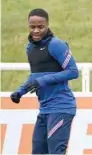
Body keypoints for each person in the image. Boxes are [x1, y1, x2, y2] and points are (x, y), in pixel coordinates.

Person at [10, 8, 79, 154]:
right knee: (38, 151)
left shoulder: (56, 44)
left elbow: (73, 72)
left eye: (40, 27)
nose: (36, 31)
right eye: (32, 27)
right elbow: (35, 76)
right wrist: (20, 92)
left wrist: (43, 81)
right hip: (45, 109)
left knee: (56, 152)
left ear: (47, 25)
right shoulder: (30, 48)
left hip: (61, 107)